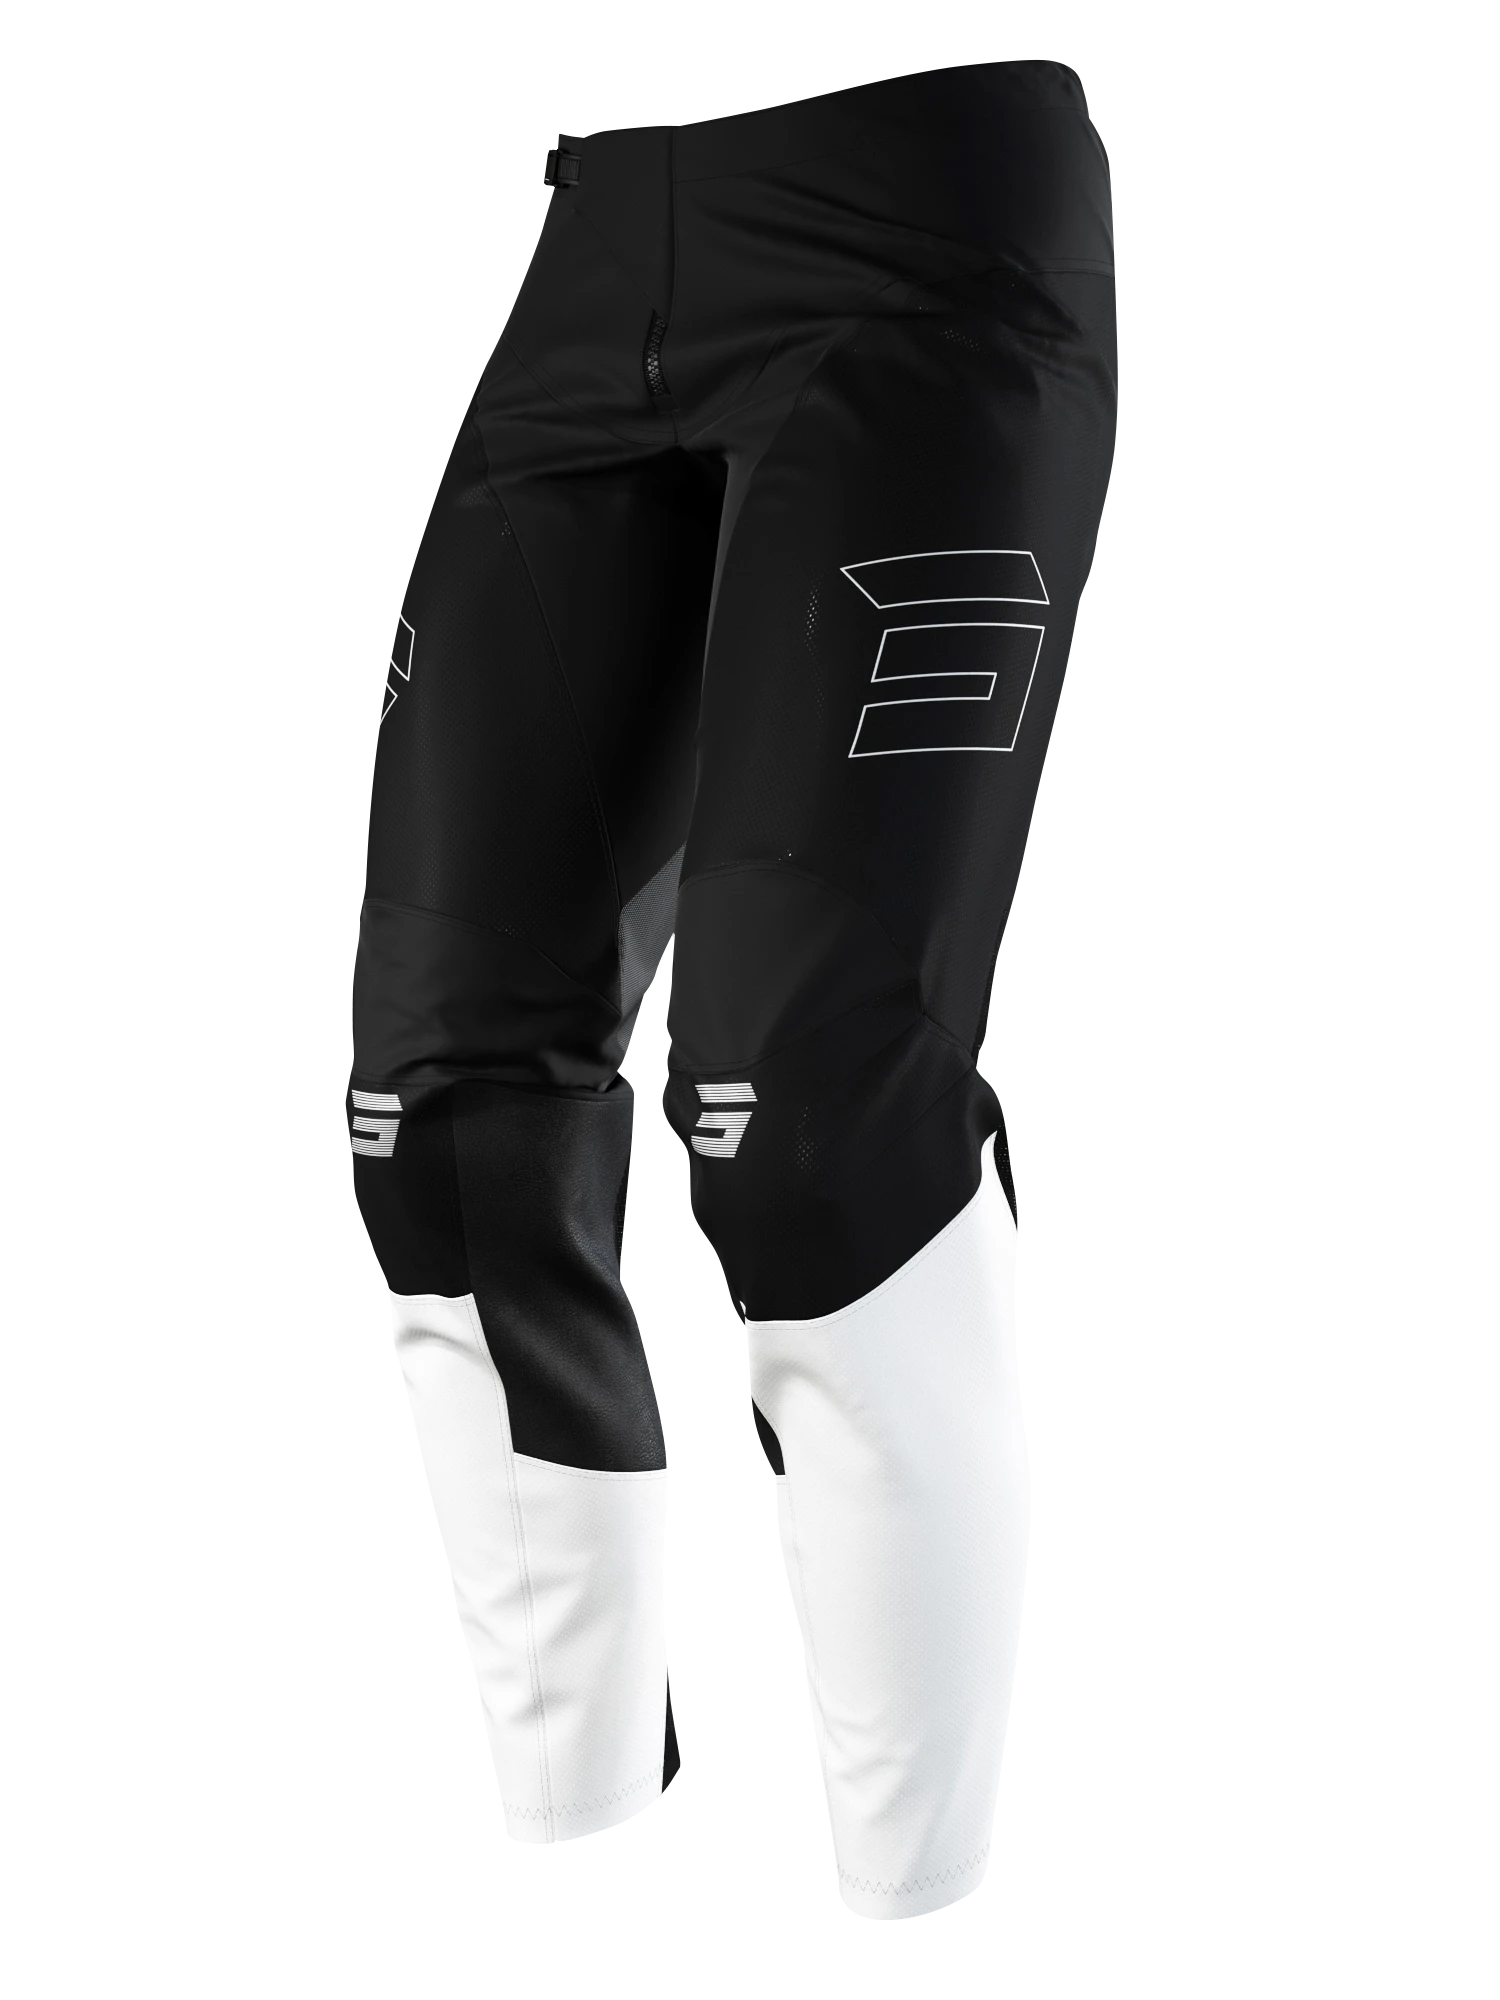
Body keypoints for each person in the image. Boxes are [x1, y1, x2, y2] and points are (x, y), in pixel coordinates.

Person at [349, 55, 1118, 1920]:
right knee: (439, 1121)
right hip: (598, 243)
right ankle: (573, 1841)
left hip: (924, 234)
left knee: (814, 1120)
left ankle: (919, 1902)